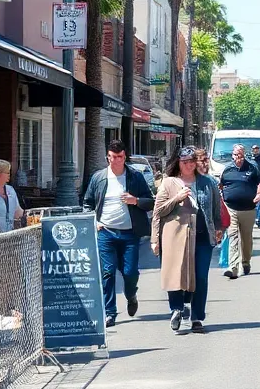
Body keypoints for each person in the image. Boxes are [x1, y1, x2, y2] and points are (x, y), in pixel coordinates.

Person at [83, 141, 156, 327]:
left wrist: (135, 200)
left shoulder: (135, 177)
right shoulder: (99, 178)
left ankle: (131, 295)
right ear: (107, 157)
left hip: (130, 234)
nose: (116, 160)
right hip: (105, 232)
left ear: (125, 157)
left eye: (120, 157)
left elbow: (150, 202)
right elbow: (88, 203)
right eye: (113, 157)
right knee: (107, 273)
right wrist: (95, 221)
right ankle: (110, 313)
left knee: (130, 273)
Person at [152, 146, 223, 334]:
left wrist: (218, 228)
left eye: (192, 161)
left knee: (200, 277)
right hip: (176, 237)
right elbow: (158, 212)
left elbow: (216, 209)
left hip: (202, 237)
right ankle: (176, 308)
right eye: (185, 162)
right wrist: (176, 198)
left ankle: (197, 317)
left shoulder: (208, 183)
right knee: (176, 275)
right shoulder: (169, 183)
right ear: (179, 163)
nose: (189, 165)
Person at [219, 144, 260, 279]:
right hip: (230, 208)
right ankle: (233, 267)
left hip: (248, 209)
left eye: (240, 155)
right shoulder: (227, 169)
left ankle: (245, 262)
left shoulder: (252, 168)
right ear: (232, 155)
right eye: (235, 155)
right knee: (232, 236)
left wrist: (259, 194)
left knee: (246, 238)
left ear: (244, 155)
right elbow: (220, 185)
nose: (238, 158)